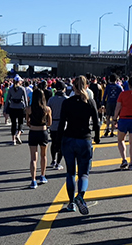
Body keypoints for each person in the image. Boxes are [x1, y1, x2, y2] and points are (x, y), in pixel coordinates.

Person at [57, 76, 100, 214]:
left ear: (73, 87)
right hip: (84, 139)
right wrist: (97, 137)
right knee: (84, 173)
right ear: (86, 86)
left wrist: (58, 141)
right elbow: (96, 122)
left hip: (69, 138)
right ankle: (80, 196)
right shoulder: (90, 102)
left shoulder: (67, 102)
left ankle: (71, 203)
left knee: (70, 172)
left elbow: (62, 123)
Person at [25, 88, 52, 188]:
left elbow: (27, 122)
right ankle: (43, 175)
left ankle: (33, 180)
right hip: (43, 132)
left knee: (33, 158)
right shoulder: (47, 109)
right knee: (43, 155)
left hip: (33, 132)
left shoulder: (29, 109)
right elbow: (49, 123)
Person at [48, 81, 68, 170]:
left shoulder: (51, 99)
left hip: (53, 123)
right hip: (63, 124)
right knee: (62, 144)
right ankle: (58, 163)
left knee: (53, 142)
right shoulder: (66, 99)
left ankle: (53, 160)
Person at [5, 76, 28, 145]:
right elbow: (25, 99)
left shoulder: (11, 89)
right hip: (20, 107)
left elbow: (7, 100)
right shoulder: (22, 89)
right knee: (20, 122)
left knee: (13, 124)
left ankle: (13, 139)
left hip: (12, 107)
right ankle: (18, 134)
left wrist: (5, 109)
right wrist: (26, 108)